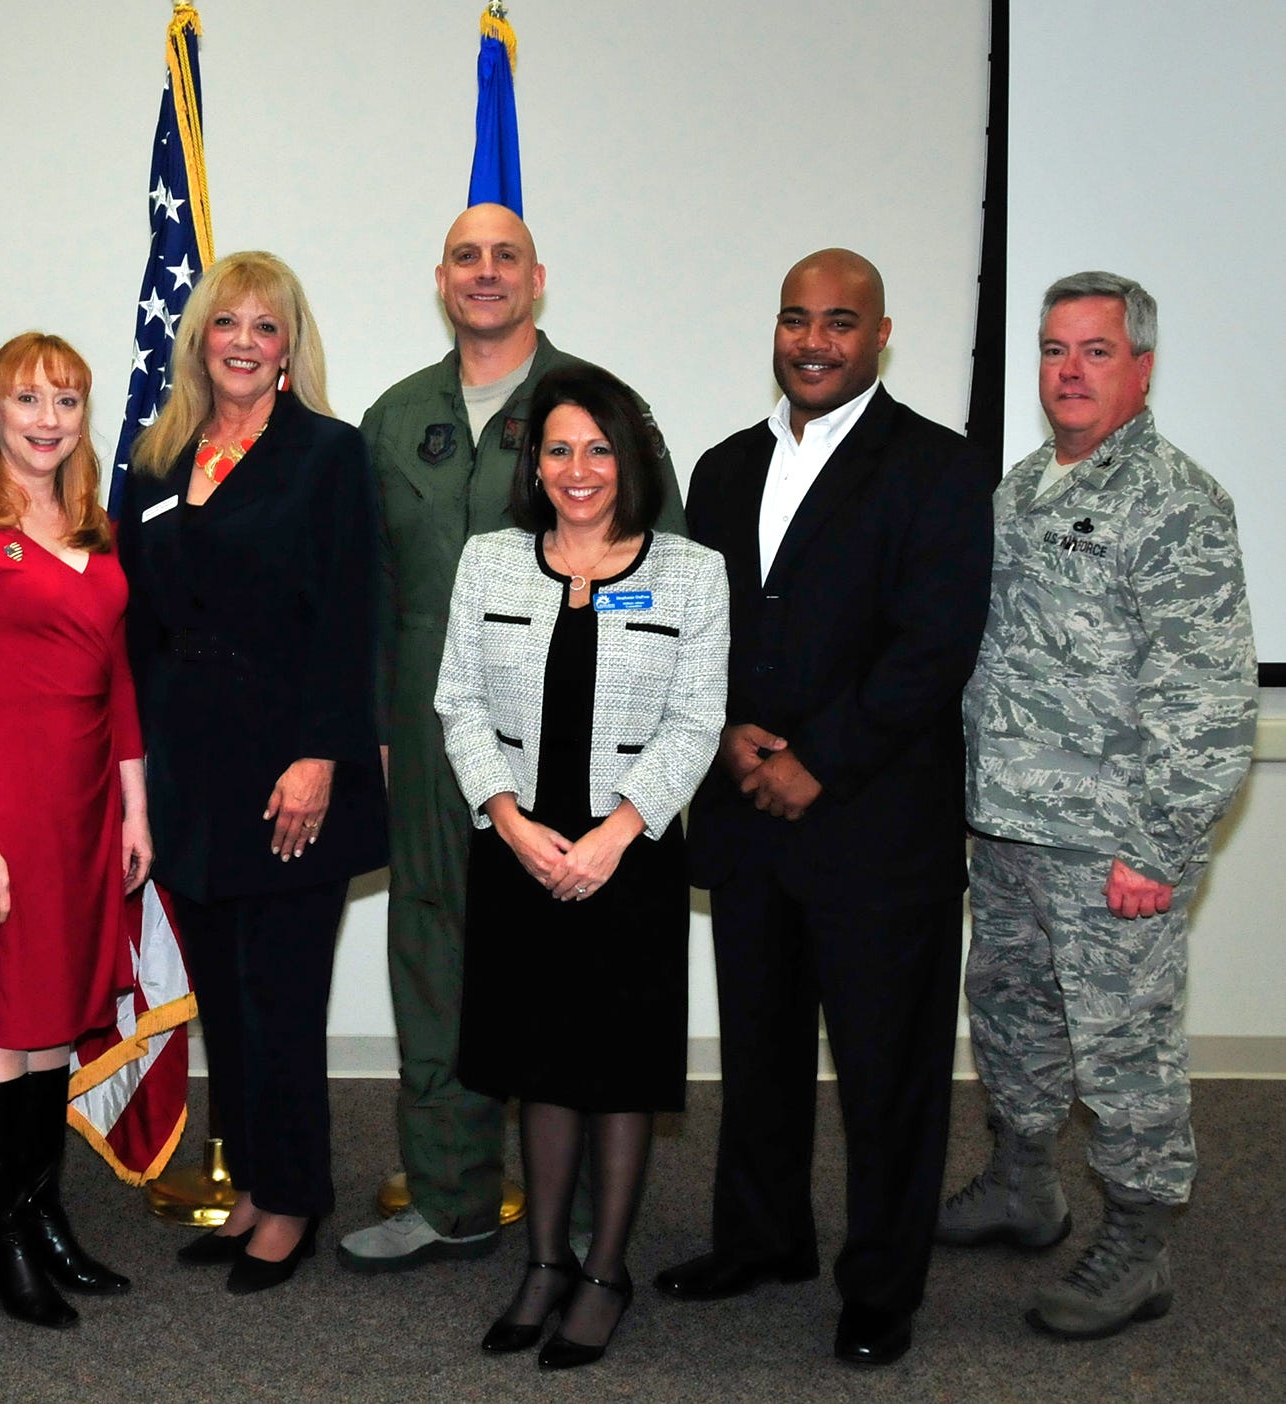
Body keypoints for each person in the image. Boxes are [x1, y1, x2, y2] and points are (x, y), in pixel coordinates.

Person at [658, 249, 998, 1367]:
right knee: (758, 1049)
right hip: (746, 812)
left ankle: (883, 1285)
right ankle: (763, 1239)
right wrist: (722, 731)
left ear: (881, 335)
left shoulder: (939, 468)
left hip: (876, 824)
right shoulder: (722, 466)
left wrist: (821, 759)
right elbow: (696, 623)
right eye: (796, 319)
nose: (814, 342)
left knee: (887, 1070)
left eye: (840, 323)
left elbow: (934, 643)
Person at [343, 202, 686, 1273]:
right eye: (466, 257)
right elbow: (370, 590)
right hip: (427, 726)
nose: (484, 273)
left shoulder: (597, 405)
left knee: (570, 960)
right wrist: (379, 731)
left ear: (537, 279)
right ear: (442, 278)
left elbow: (664, 574)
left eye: (505, 257)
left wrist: (641, 768)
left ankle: (576, 1217)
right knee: (433, 954)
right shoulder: (395, 416)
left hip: (571, 729)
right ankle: (448, 1195)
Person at [944, 271, 1256, 1340]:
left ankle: (1139, 1244)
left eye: (1095, 351)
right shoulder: (1023, 486)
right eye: (1053, 349)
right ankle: (1024, 1185)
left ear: (1143, 367)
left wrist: (1159, 846)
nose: (1069, 371)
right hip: (1010, 827)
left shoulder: (1175, 502)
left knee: (1125, 1050)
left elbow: (1208, 696)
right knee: (1014, 1017)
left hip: (1110, 846)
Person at [436, 365, 728, 1369]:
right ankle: (545, 1261)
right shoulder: (489, 561)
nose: (578, 469)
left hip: (628, 856)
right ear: (534, 464)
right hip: (520, 848)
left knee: (617, 1067)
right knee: (539, 1062)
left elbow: (697, 719)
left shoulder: (691, 573)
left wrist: (618, 833)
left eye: (599, 448)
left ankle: (605, 1272)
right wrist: (508, 820)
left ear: (631, 458)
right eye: (558, 449)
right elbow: (459, 703)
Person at [118, 250, 388, 1295]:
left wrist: (320, 755)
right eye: (225, 322)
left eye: (264, 326)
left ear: (288, 349)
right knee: (226, 1002)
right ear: (198, 340)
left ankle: (295, 1200)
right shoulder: (157, 460)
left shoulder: (328, 454)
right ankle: (254, 1186)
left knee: (282, 995)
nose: (242, 341)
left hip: (289, 768)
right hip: (190, 769)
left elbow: (352, 614)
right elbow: (135, 622)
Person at [0, 331, 150, 1329]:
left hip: (80, 810)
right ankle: (3, 1239)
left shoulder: (94, 529)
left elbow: (118, 678)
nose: (49, 420)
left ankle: (45, 1219)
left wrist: (134, 808)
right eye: (29, 399)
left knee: (51, 1019)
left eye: (67, 401)